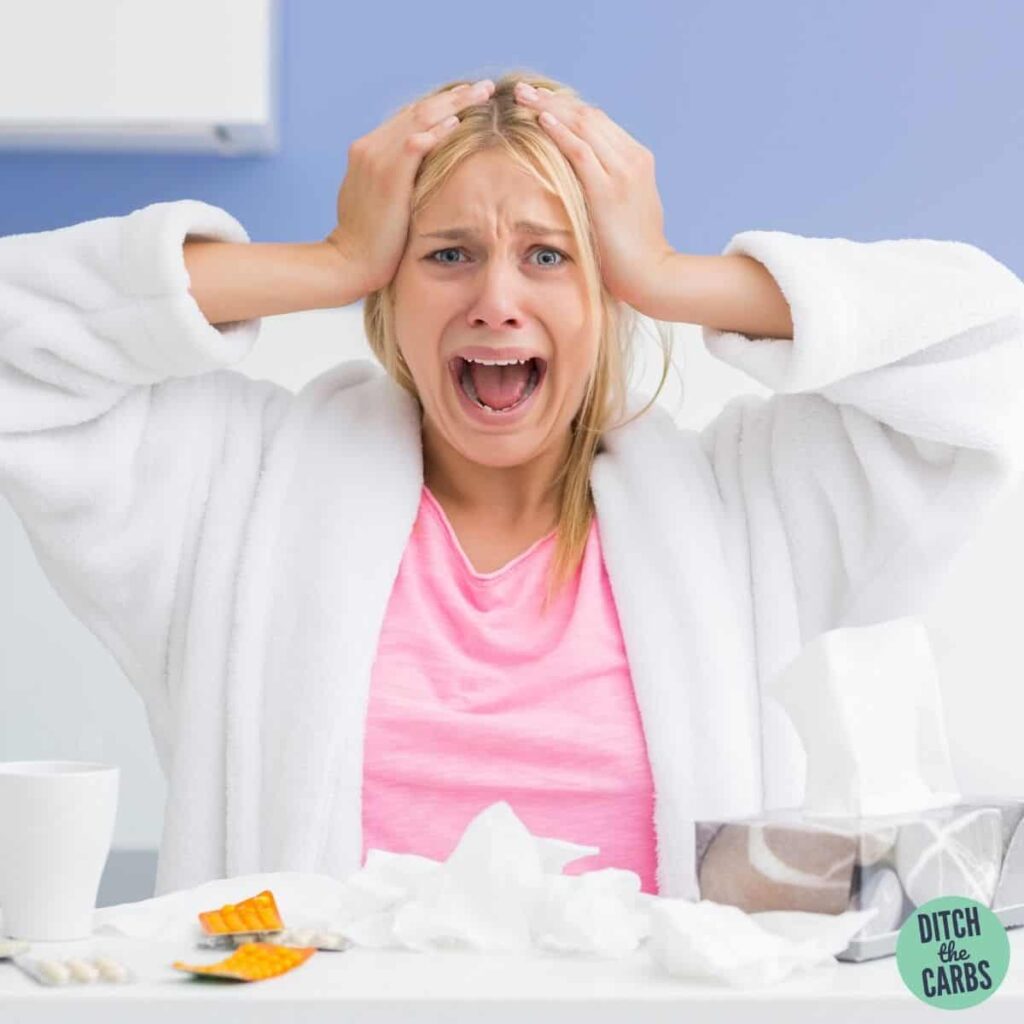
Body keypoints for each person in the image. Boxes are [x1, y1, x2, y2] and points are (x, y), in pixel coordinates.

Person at [1, 70, 1022, 902]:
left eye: (548, 255)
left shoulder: (745, 515)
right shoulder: (233, 499)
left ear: (606, 295)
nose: (496, 300)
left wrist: (665, 275)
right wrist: (330, 257)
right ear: (386, 297)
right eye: (446, 254)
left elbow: (984, 348)